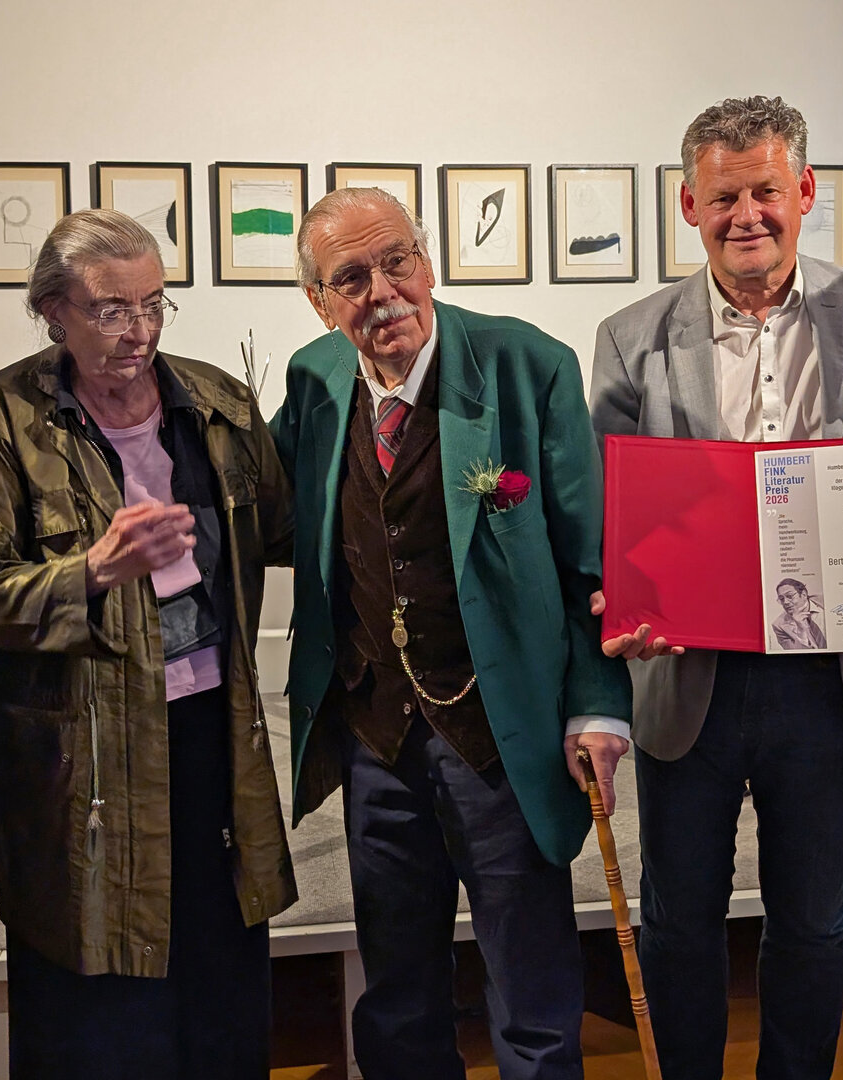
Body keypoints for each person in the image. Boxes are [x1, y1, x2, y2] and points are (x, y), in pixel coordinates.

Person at [588, 95, 843, 1079]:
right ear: (688, 205)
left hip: (824, 676)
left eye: (765, 192)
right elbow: (610, 504)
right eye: (723, 196)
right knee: (678, 918)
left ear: (806, 192)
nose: (747, 214)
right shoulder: (630, 335)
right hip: (687, 676)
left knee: (817, 920)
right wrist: (618, 591)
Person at [269, 186, 631, 1080]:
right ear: (318, 301)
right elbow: (263, 511)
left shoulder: (527, 365)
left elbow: (593, 564)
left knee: (531, 980)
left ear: (427, 260)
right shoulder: (314, 380)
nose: (383, 290)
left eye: (398, 260)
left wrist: (597, 708)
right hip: (373, 735)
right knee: (397, 984)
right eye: (350, 277)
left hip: (500, 734)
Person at [0, 208, 296, 1077]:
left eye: (153, 305)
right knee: (101, 993)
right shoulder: (3, 415)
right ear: (51, 311)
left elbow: (292, 532)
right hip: (85, 755)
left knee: (221, 974)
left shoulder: (218, 402)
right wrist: (94, 571)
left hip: (214, 735)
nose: (137, 331)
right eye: (110, 309)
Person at [771, 578, 826, 650]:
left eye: (789, 596)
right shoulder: (779, 626)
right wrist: (801, 630)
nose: (785, 602)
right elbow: (796, 654)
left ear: (804, 594)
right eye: (781, 599)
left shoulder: (825, 599)